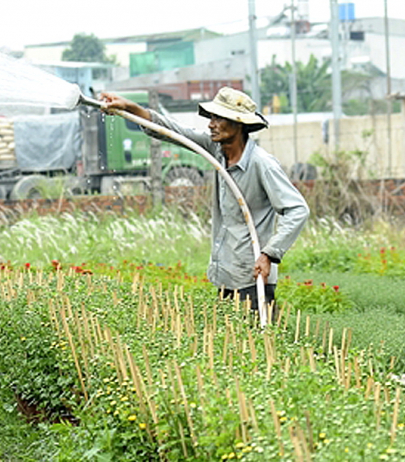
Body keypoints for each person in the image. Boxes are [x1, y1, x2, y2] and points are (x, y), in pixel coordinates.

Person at [99, 87, 309, 317]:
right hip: (225, 276)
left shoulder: (262, 164)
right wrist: (129, 107)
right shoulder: (216, 150)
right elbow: (170, 131)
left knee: (258, 344)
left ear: (239, 124)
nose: (211, 124)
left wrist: (269, 254)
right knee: (228, 345)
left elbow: (297, 210)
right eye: (211, 117)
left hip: (253, 277)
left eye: (219, 118)